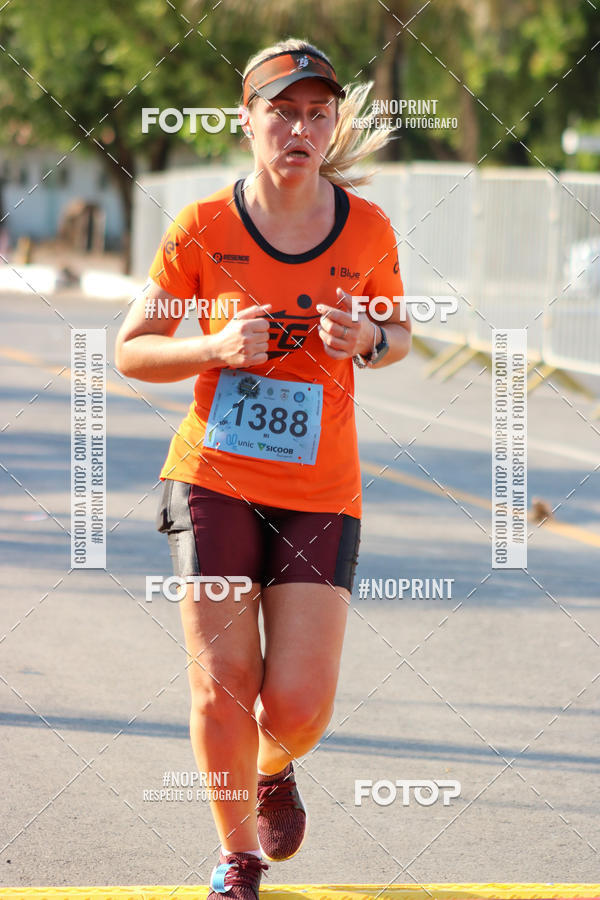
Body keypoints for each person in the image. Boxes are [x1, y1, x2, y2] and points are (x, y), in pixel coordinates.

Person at [115, 37, 411, 900]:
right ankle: (237, 859)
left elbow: (400, 335)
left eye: (318, 113)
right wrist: (211, 347)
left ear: (334, 125)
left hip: (322, 491)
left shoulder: (367, 229)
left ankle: (274, 766)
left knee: (297, 708)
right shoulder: (202, 227)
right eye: (282, 112)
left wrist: (368, 338)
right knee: (222, 685)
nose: (301, 129)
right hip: (213, 481)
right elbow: (131, 349)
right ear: (247, 120)